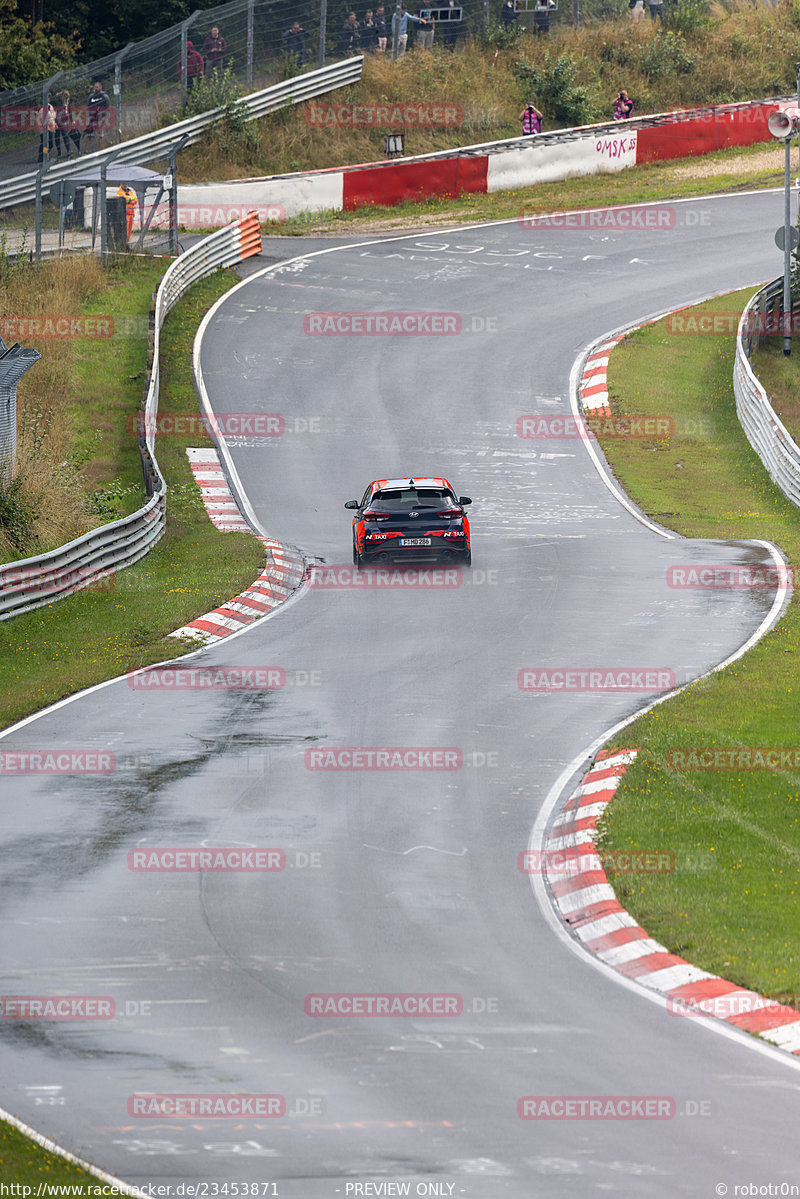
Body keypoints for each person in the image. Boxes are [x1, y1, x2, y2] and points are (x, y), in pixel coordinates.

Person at [83, 80, 110, 152]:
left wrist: (105, 118)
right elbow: (88, 108)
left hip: (101, 119)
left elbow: (108, 109)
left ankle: (100, 151)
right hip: (92, 119)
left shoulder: (104, 97)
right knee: (88, 135)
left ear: (101, 87)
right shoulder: (91, 97)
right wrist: (88, 118)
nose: (96, 88)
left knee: (100, 135)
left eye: (97, 87)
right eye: (95, 87)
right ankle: (86, 151)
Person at [54, 90, 80, 158]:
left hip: (63, 121)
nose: (67, 99)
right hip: (56, 121)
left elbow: (69, 111)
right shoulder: (56, 102)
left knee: (65, 136)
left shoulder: (67, 102)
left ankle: (69, 150)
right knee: (57, 137)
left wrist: (72, 121)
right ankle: (59, 152)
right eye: (66, 98)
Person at [37, 95, 56, 162]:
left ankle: (44, 155)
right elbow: (42, 120)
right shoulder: (42, 109)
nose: (48, 99)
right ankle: (42, 156)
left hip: (50, 129)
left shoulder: (50, 107)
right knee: (44, 143)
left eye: (48, 98)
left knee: (50, 144)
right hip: (44, 129)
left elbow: (54, 116)